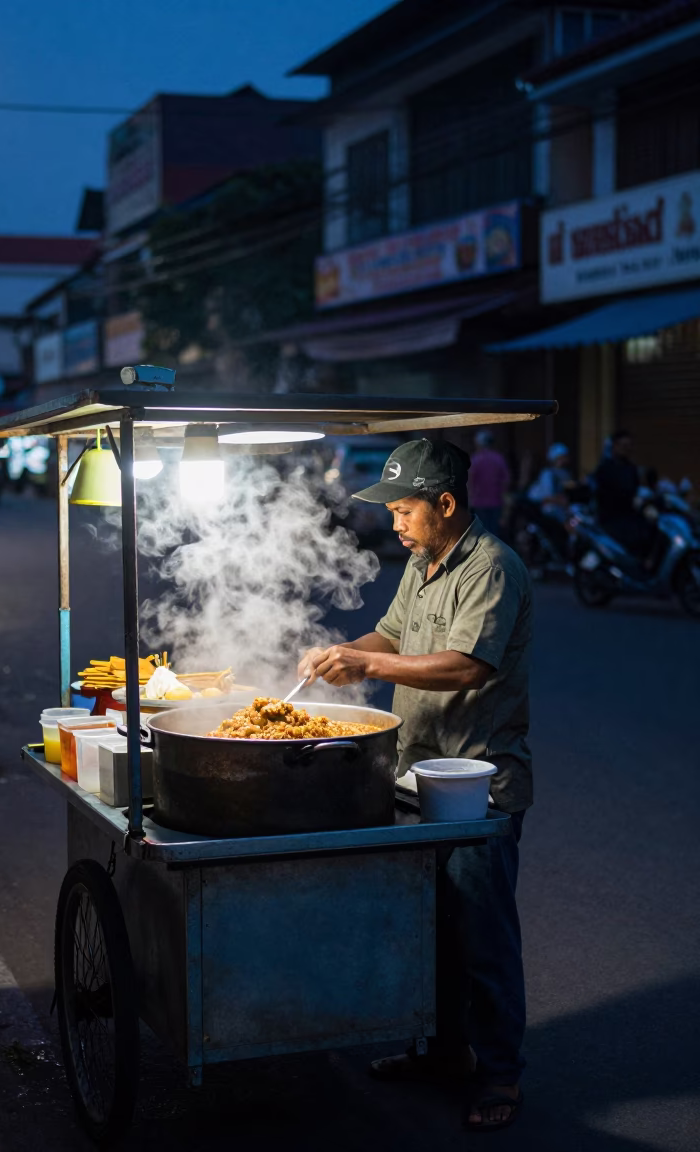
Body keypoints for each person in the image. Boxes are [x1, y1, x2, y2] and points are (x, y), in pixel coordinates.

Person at [299, 438, 531, 1132]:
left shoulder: (493, 569)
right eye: (394, 511)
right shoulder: (423, 561)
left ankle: (500, 1078)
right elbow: (394, 637)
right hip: (414, 773)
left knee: (482, 937)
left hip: (475, 782)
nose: (395, 523)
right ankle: (441, 1052)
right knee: (428, 929)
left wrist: (369, 667)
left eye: (405, 510)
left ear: (447, 504)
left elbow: (466, 667)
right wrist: (339, 653)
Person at [594, 431, 654, 559]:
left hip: (629, 515)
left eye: (629, 445)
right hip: (612, 518)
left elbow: (636, 489)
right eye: (623, 445)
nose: (626, 448)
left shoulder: (631, 468)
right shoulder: (606, 468)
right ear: (615, 446)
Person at [467, 430, 511, 537]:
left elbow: (469, 482)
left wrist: (468, 501)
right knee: (495, 534)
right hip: (496, 502)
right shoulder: (499, 459)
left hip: (479, 503)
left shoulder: (475, 459)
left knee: (482, 535)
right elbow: (506, 481)